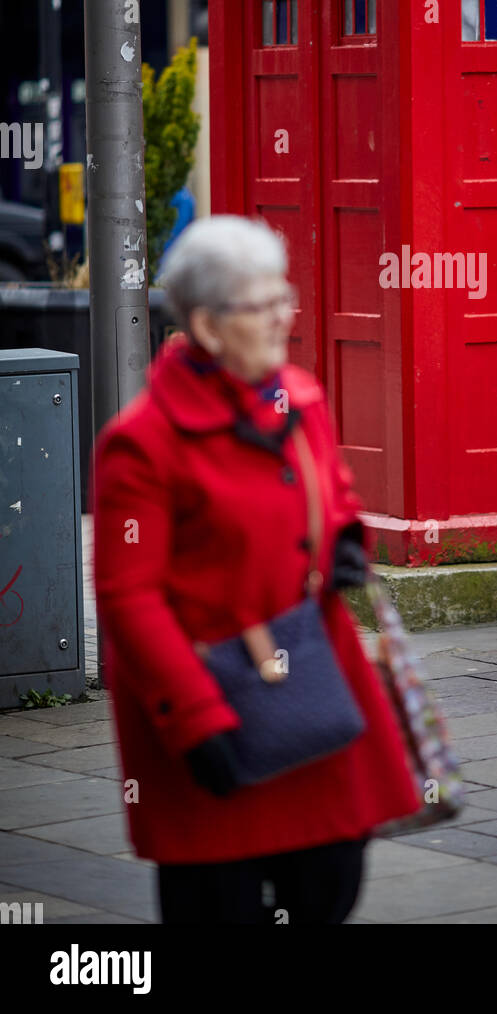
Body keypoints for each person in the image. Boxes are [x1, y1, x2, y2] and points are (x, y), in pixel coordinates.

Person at [92, 214, 422, 925]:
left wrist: (343, 537)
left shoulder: (300, 397)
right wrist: (198, 721)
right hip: (211, 700)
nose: (284, 318)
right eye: (262, 306)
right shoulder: (140, 445)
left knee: (332, 880)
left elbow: (332, 491)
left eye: (285, 298)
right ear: (208, 327)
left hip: (311, 683)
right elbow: (129, 597)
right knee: (220, 903)